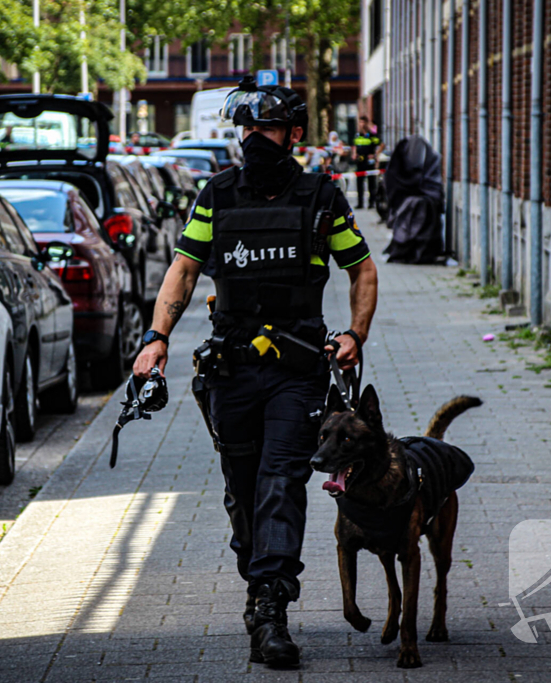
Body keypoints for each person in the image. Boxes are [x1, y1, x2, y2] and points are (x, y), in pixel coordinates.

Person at [133, 76, 378, 668]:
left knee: (280, 482)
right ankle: (257, 574)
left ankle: (271, 607)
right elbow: (185, 271)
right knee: (243, 489)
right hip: (232, 370)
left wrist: (354, 334)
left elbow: (362, 270)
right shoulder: (217, 194)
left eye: (265, 127)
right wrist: (156, 338)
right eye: (246, 128)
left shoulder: (322, 196)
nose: (253, 138)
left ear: (293, 133)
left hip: (297, 371)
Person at [351, 116, 382, 209]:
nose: (362, 124)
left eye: (363, 122)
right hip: (360, 161)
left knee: (371, 183)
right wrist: (354, 154)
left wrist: (375, 154)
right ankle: (360, 203)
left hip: (369, 161)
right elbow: (354, 146)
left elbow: (381, 144)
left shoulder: (372, 135)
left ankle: (371, 203)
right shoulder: (357, 135)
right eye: (360, 123)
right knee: (359, 182)